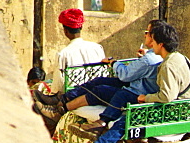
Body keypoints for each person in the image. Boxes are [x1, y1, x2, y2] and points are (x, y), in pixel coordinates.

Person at [64, 22, 190, 143]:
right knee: (124, 97)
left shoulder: (167, 65)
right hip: (183, 106)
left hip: (173, 110)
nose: (152, 45)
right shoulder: (181, 58)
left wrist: (146, 97)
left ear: (161, 44)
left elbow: (166, 97)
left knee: (128, 120)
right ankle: (97, 131)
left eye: (154, 42)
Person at [33, 20, 164, 123]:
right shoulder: (97, 47)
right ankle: (61, 99)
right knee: (99, 81)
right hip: (136, 85)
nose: (144, 35)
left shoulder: (63, 53)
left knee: (99, 90)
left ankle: (59, 111)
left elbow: (125, 75)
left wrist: (113, 62)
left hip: (136, 92)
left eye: (147, 32)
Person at [51, 8, 105, 93]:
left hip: (74, 97)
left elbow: (58, 86)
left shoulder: (63, 54)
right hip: (99, 93)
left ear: (65, 31)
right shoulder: (98, 48)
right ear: (81, 27)